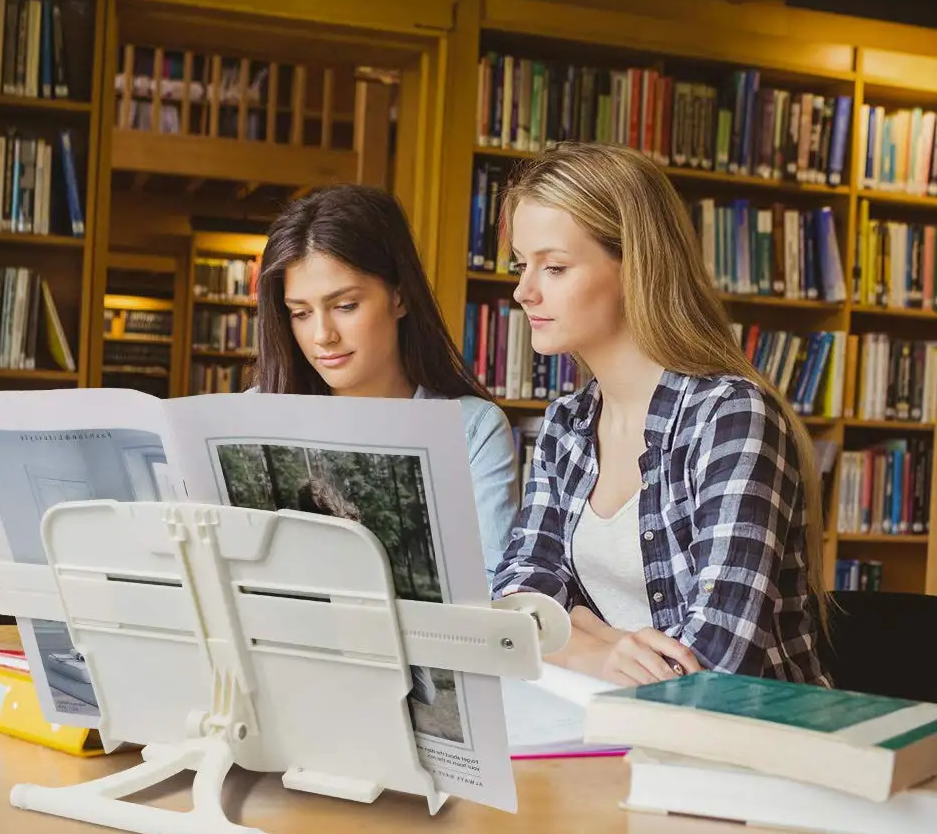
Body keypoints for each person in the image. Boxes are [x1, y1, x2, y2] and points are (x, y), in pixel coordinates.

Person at [491, 142, 831, 689]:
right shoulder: (565, 426)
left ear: (636, 268)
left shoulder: (730, 416)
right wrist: (601, 655)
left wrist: (572, 622)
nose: (522, 291)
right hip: (606, 715)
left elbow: (715, 656)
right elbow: (514, 597)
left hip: (748, 742)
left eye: (553, 267)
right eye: (520, 265)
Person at [254, 183, 519, 586]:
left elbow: (491, 590)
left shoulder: (472, 428)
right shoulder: (255, 413)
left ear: (400, 297)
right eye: (301, 313)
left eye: (345, 306)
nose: (322, 335)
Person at [294, 473, 437, 707]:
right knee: (409, 692)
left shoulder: (350, 535)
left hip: (377, 618)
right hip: (362, 624)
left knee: (421, 692)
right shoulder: (336, 540)